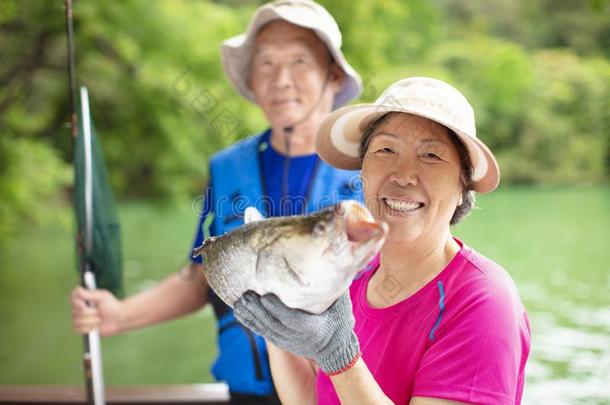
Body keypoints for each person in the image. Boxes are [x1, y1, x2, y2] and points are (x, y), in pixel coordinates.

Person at [70, 1, 364, 403]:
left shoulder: (370, 168)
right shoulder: (227, 168)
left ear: (332, 75)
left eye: (298, 60)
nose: (280, 79)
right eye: (265, 63)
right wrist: (119, 314)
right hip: (247, 393)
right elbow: (203, 274)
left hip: (346, 390)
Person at [234, 77, 532, 404]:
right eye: (386, 149)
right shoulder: (351, 273)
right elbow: (314, 398)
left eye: (431, 155)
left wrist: (340, 357)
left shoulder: (483, 302)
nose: (403, 175)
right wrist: (276, 325)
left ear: (463, 185)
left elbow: (339, 367)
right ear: (363, 170)